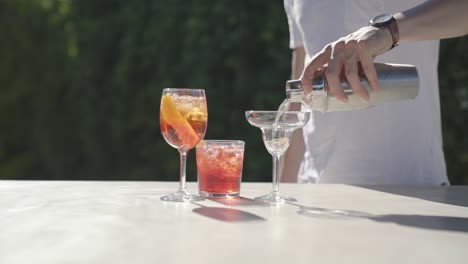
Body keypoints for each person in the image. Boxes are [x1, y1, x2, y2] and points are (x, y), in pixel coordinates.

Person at [281, 0, 468, 185]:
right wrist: (286, 191)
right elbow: (300, 93)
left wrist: (389, 30)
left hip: (415, 183)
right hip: (318, 187)